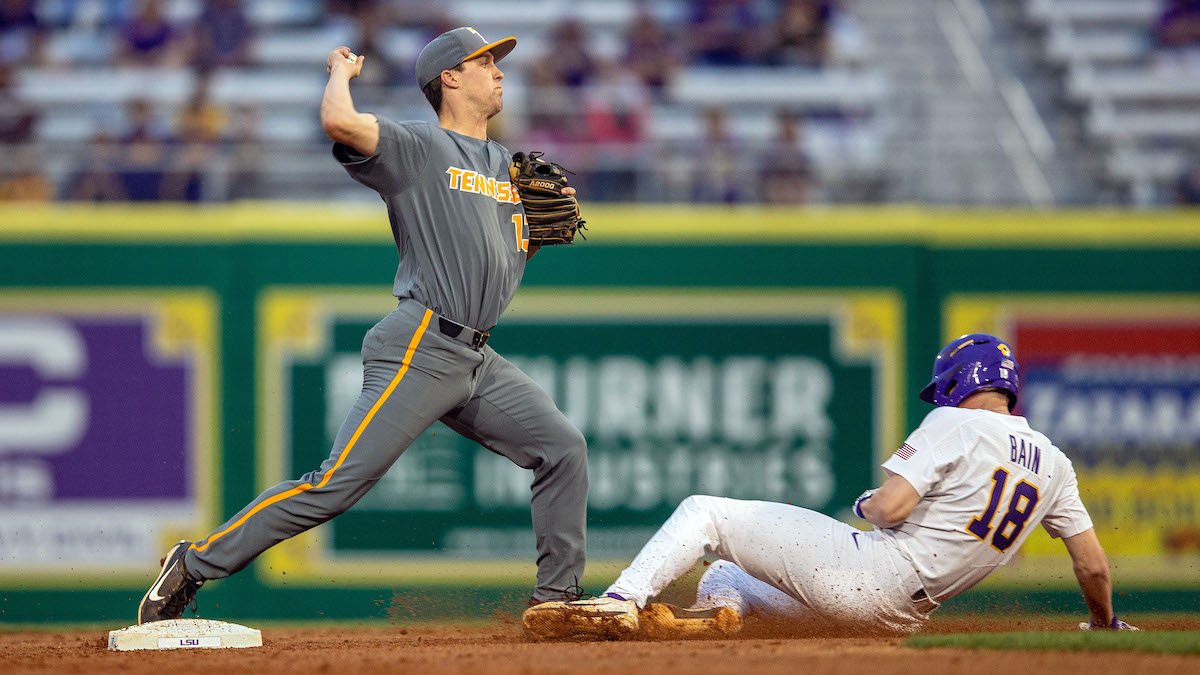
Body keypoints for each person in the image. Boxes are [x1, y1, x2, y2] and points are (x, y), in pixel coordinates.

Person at [138, 27, 590, 623]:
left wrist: (532, 241)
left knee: (562, 449)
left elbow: (495, 260)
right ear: (449, 77)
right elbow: (340, 124)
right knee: (335, 486)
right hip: (421, 347)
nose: (500, 72)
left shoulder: (506, 167)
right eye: (486, 63)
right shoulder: (418, 147)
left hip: (476, 359)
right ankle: (193, 563)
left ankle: (556, 602)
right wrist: (339, 74)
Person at [524, 333, 1138, 639]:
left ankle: (619, 601)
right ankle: (712, 621)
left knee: (704, 513)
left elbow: (890, 509)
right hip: (904, 617)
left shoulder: (954, 422)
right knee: (726, 575)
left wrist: (868, 502)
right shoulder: (1054, 463)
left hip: (872, 572)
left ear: (957, 382)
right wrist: (1105, 623)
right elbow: (1093, 567)